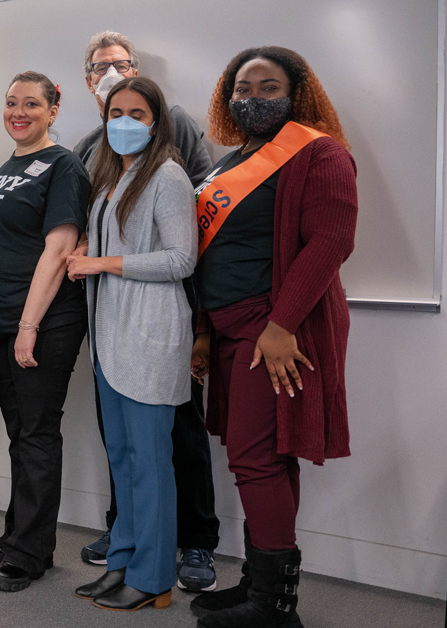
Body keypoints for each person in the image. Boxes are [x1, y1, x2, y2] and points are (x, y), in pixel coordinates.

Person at [190, 46, 356, 628]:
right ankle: (265, 589)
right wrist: (206, 331)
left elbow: (330, 241)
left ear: (296, 91)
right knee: (264, 457)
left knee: (256, 459)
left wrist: (281, 326)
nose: (252, 98)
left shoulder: (320, 152)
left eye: (268, 87)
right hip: (230, 328)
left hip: (274, 331)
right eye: (242, 88)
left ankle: (272, 607)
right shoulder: (228, 162)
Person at [71, 30, 221, 593]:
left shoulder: (168, 176)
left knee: (155, 465)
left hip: (151, 337)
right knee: (127, 459)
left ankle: (153, 577)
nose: (124, 120)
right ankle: (124, 562)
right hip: (110, 338)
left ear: (157, 120)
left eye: (137, 112)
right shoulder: (112, 176)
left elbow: (182, 258)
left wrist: (104, 263)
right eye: (117, 112)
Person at [0, 72, 90, 592]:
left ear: (54, 110)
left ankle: (32, 552)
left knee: (37, 433)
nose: (19, 112)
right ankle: (19, 530)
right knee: (22, 432)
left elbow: (60, 248)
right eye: (12, 102)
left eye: (32, 104)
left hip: (41, 322)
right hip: (0, 323)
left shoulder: (63, 166)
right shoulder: (7, 168)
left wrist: (28, 325)